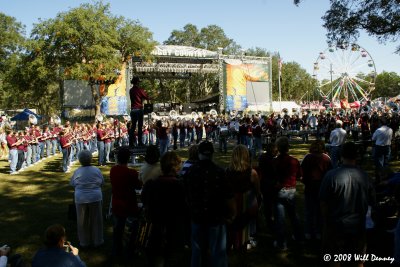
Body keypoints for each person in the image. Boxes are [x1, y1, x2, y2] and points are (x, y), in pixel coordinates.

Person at [319, 142, 374, 267]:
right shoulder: (366, 176)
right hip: (358, 224)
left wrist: (326, 221)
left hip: (337, 224)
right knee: (358, 260)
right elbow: (372, 202)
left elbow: (323, 202)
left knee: (334, 259)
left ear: (341, 155)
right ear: (357, 156)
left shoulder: (331, 176)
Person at [183, 141, 236, 267]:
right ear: (212, 154)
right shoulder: (219, 172)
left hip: (199, 216)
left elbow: (185, 194)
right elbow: (229, 196)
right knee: (217, 252)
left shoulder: (190, 171)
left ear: (199, 154)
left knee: (198, 251)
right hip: (214, 217)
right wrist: (232, 213)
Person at [141, 151, 187, 267]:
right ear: (175, 168)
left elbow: (145, 203)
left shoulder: (151, 185)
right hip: (172, 233)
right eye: (179, 165)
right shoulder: (180, 186)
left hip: (156, 231)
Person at [110, 146, 143, 257]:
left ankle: (116, 251)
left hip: (116, 202)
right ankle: (130, 250)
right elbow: (138, 186)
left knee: (117, 230)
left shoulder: (113, 169)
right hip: (128, 203)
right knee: (132, 228)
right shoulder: (131, 172)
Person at [226, 145, 260, 251]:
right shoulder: (252, 173)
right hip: (246, 205)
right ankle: (248, 239)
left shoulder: (226, 171)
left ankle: (233, 242)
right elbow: (258, 191)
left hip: (232, 204)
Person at [272, 136, 303, 250]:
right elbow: (300, 175)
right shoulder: (294, 161)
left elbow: (272, 176)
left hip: (280, 190)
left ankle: (281, 243)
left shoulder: (275, 161)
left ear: (278, 148)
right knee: (293, 215)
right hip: (290, 190)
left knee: (280, 218)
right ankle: (299, 237)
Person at [70, 150, 104, 248]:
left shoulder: (77, 171)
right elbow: (102, 182)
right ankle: (98, 240)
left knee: (82, 221)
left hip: (81, 197)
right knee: (97, 220)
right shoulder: (96, 170)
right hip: (95, 196)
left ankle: (84, 241)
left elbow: (72, 183)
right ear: (91, 159)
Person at [300, 140, 332, 240]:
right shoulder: (326, 158)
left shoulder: (308, 157)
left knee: (309, 211)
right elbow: (330, 174)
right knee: (319, 211)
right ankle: (318, 232)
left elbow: (302, 173)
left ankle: (308, 232)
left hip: (311, 186)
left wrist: (305, 181)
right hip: (321, 187)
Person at [129, 77, 149, 147]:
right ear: (137, 82)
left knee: (133, 127)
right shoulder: (140, 90)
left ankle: (131, 143)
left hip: (133, 110)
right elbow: (146, 96)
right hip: (139, 109)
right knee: (140, 127)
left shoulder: (131, 90)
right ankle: (140, 142)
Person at [372, 116, 393, 184]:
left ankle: (380, 178)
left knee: (379, 163)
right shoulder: (390, 129)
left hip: (379, 147)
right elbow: (390, 138)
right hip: (387, 147)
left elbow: (373, 138)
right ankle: (385, 177)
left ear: (380, 123)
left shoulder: (379, 130)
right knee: (386, 163)